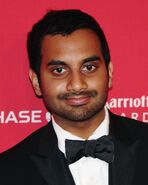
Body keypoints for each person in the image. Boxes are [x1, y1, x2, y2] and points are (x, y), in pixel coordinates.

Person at [0, 9, 148, 185]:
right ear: (36, 82)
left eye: (89, 67)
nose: (77, 85)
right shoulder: (7, 171)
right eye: (59, 70)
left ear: (109, 72)